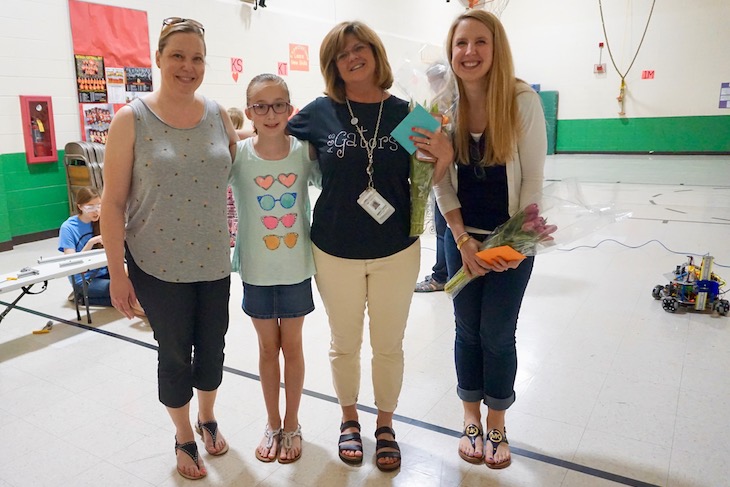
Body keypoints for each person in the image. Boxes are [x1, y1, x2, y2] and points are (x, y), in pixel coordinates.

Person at [101, 17, 238, 481]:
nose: (188, 66)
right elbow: (112, 203)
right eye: (177, 55)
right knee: (176, 353)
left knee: (213, 349)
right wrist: (117, 273)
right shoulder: (130, 119)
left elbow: (240, 167)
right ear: (158, 59)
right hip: (156, 264)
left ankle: (207, 416)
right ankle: (183, 435)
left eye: (197, 57)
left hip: (214, 260)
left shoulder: (219, 114)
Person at [412, 10, 547, 469]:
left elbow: (532, 181)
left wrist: (519, 245)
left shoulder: (522, 100)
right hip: (459, 238)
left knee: (497, 333)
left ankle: (497, 424)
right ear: (450, 52)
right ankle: (470, 418)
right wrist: (460, 239)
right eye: (460, 44)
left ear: (496, 48)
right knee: (467, 330)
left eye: (480, 42)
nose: (469, 52)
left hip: (511, 239)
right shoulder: (437, 107)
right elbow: (436, 180)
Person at [288, 21, 422, 472]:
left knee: (389, 345)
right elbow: (274, 143)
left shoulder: (407, 112)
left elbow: (430, 177)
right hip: (334, 247)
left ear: (375, 53)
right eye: (342, 53)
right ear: (333, 65)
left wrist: (440, 151)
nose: (352, 57)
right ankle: (349, 419)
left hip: (396, 247)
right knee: (343, 343)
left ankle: (385, 425)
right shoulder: (320, 112)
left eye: (360, 47)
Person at [229, 73, 319, 464]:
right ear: (249, 112)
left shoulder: (304, 151)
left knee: (293, 347)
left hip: (296, 266)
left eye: (278, 104)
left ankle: (293, 421)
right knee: (268, 349)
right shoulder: (238, 155)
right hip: (257, 270)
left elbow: (335, 183)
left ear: (290, 109)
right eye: (260, 106)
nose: (270, 113)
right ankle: (272, 422)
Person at [58, 186, 111, 305]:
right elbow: (71, 261)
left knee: (134, 286)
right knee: (118, 292)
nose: (96, 210)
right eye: (90, 207)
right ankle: (81, 296)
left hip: (105, 272)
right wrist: (90, 243)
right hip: (84, 279)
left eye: (99, 205)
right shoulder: (68, 227)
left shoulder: (103, 221)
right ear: (80, 206)